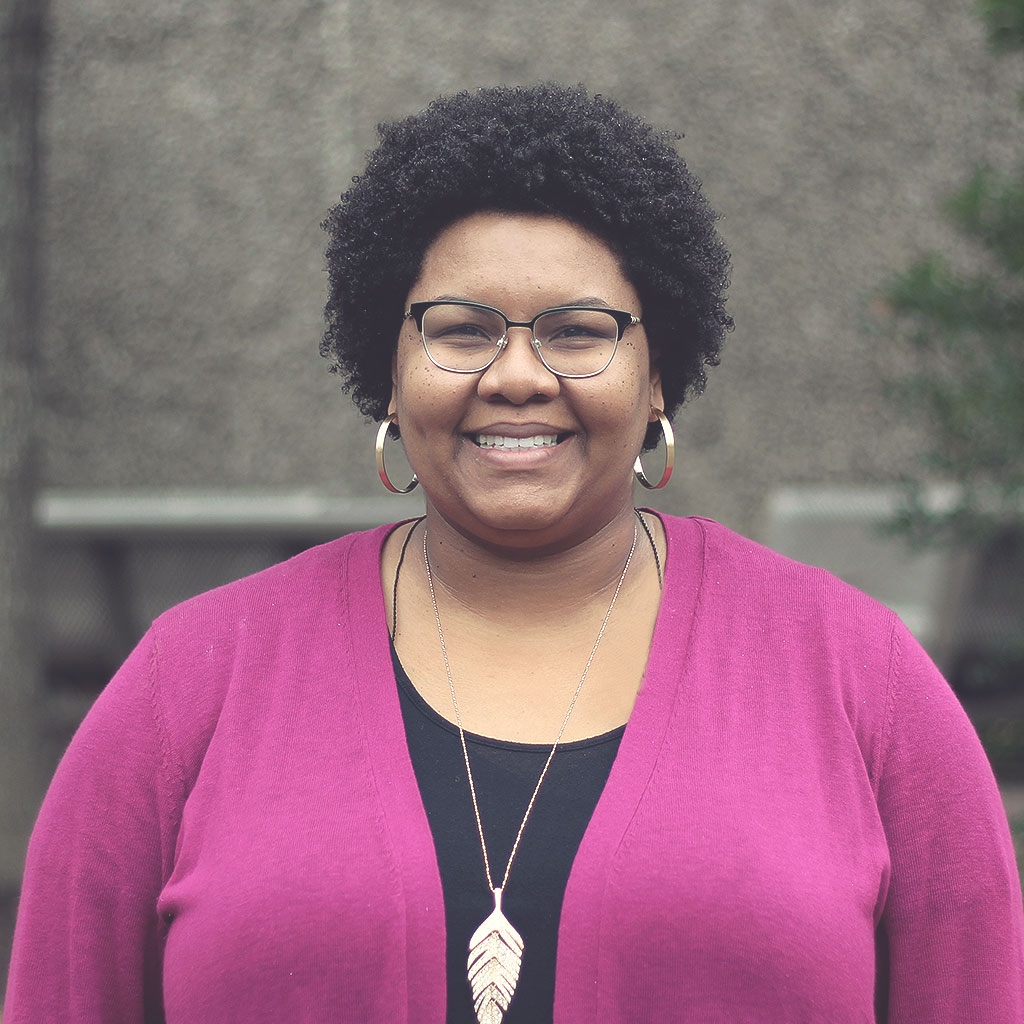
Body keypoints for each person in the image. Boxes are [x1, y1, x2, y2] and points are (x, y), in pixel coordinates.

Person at [4, 83, 1023, 1024]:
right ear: (390, 371)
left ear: (658, 374)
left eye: (578, 331)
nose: (518, 375)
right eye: (462, 330)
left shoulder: (859, 679)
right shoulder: (191, 683)